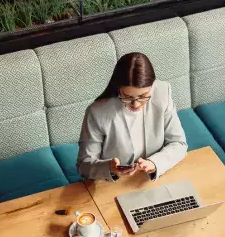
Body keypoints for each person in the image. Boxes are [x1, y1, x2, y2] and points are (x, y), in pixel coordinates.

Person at [77, 52, 187, 181]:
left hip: (152, 177)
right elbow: (84, 165)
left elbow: (178, 143)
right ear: (118, 88)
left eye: (143, 96)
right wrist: (110, 169)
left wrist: (154, 163)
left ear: (152, 87)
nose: (136, 104)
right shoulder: (97, 112)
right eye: (127, 97)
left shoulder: (163, 92)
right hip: (112, 183)